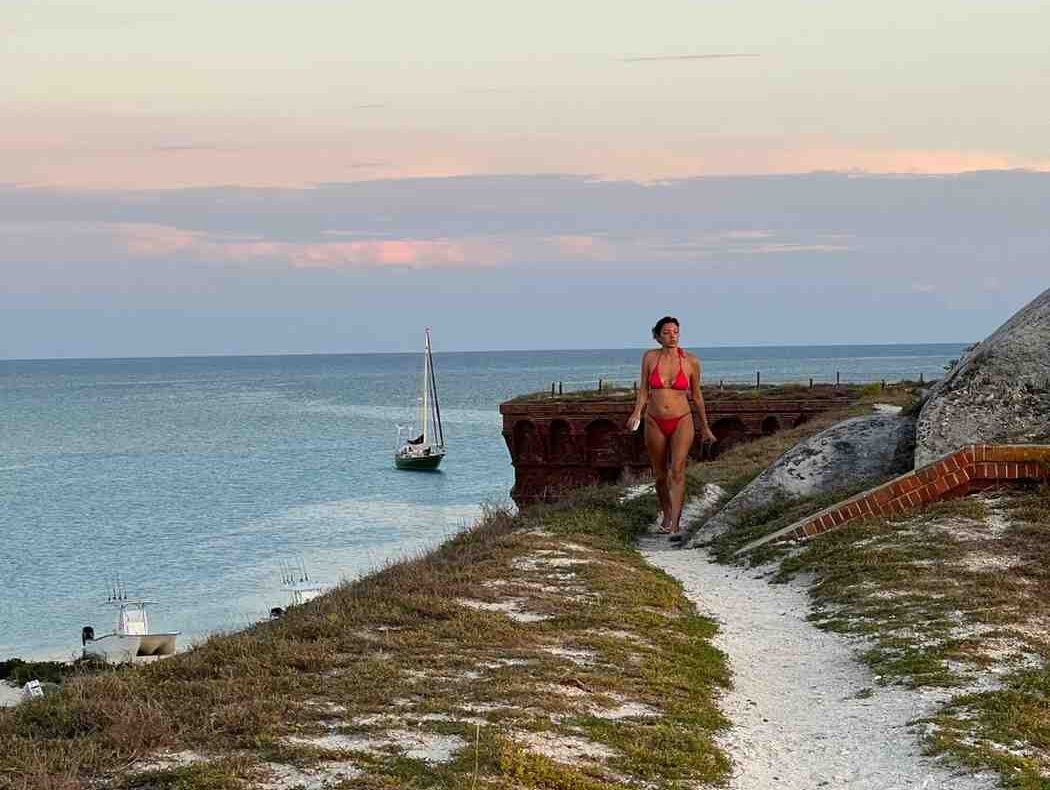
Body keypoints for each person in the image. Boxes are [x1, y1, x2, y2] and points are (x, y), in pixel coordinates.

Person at [626, 316, 716, 539]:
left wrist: (705, 427)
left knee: (677, 470)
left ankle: (675, 524)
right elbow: (644, 391)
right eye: (666, 333)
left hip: (682, 420)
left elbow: (697, 396)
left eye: (675, 332)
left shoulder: (691, 361)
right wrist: (636, 412)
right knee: (659, 474)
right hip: (654, 420)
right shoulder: (649, 357)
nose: (672, 336)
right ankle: (666, 513)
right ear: (658, 337)